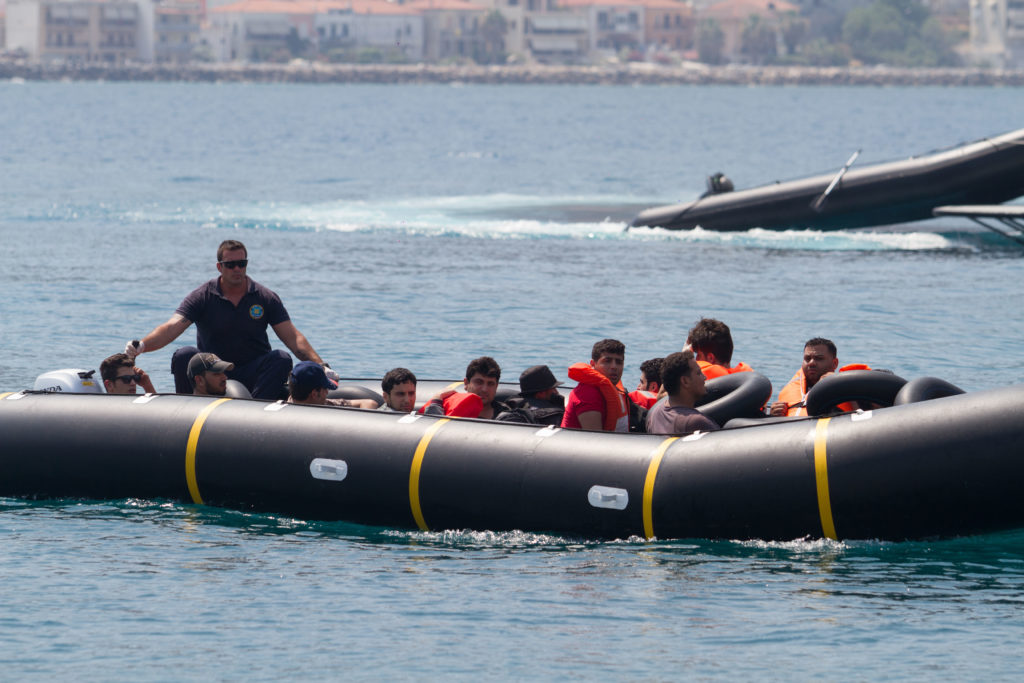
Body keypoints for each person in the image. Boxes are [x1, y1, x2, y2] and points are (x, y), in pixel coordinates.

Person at [123, 240, 333, 400]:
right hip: (213, 371)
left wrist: (320, 365)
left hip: (253, 370)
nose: (237, 269)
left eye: (241, 264)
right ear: (219, 267)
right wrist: (142, 346)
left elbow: (293, 337)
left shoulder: (265, 297)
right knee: (184, 355)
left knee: (281, 358)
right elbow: (171, 327)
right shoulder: (202, 296)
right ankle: (187, 410)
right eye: (230, 265)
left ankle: (254, 413)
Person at [561, 339, 630, 432]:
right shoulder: (587, 393)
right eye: (607, 361)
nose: (614, 366)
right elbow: (595, 439)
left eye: (618, 362)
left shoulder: (615, 389)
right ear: (593, 364)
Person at [646, 351, 720, 436]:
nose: (704, 377)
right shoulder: (697, 422)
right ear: (685, 381)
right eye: (699, 373)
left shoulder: (655, 413)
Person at [769, 337, 846, 417]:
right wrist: (773, 415)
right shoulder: (792, 388)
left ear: (834, 363)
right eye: (807, 358)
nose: (811, 363)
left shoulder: (845, 389)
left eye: (819, 358)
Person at [423, 356, 512, 420]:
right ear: (466, 383)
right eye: (479, 382)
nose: (484, 389)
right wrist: (436, 400)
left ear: (496, 387)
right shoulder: (445, 409)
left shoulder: (507, 416)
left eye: (490, 384)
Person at [287, 361, 378, 408]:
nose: (327, 392)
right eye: (325, 388)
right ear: (314, 394)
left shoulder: (326, 403)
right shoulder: (284, 414)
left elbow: (370, 403)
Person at [685, 318, 754, 380]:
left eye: (698, 355)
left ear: (710, 358)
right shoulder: (747, 378)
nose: (696, 359)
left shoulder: (700, 376)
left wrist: (685, 358)